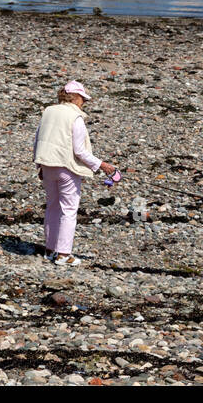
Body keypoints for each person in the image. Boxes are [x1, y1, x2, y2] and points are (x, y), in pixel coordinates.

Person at [32, 81, 117, 266]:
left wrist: (38, 165)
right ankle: (63, 254)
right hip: (66, 168)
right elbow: (79, 151)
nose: (83, 103)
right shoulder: (75, 117)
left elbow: (39, 139)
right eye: (83, 99)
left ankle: (50, 249)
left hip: (47, 165)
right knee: (68, 209)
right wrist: (102, 165)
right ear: (76, 98)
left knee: (52, 206)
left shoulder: (48, 112)